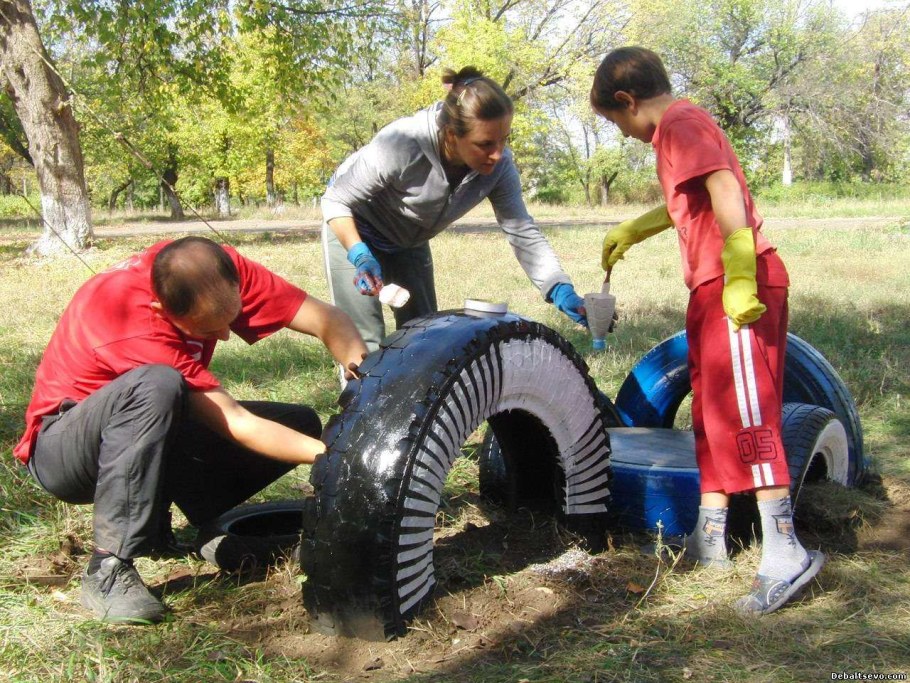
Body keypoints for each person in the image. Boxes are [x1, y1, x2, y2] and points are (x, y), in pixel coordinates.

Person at [13, 236, 368, 624]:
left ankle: (159, 526)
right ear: (159, 308)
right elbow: (236, 423)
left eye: (230, 320)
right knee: (157, 386)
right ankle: (108, 567)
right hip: (63, 453)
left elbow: (327, 319)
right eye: (206, 328)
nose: (225, 336)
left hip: (134, 433)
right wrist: (341, 458)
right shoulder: (128, 319)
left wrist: (368, 387)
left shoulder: (211, 268)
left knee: (296, 425)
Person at [590, 46, 824, 615]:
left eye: (616, 121)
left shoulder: (679, 123)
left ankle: (785, 550)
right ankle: (711, 536)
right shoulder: (675, 129)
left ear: (628, 100)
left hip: (734, 285)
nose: (622, 134)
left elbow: (723, 186)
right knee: (712, 410)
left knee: (747, 411)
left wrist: (740, 270)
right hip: (708, 287)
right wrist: (638, 227)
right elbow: (690, 202)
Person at [321, 66, 587, 352]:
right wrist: (360, 254)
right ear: (450, 135)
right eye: (485, 144)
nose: (498, 154)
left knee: (421, 339)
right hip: (353, 225)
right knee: (362, 344)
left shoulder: (499, 166)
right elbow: (336, 200)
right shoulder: (402, 144)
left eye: (504, 139)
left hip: (409, 238)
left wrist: (558, 288)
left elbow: (522, 231)